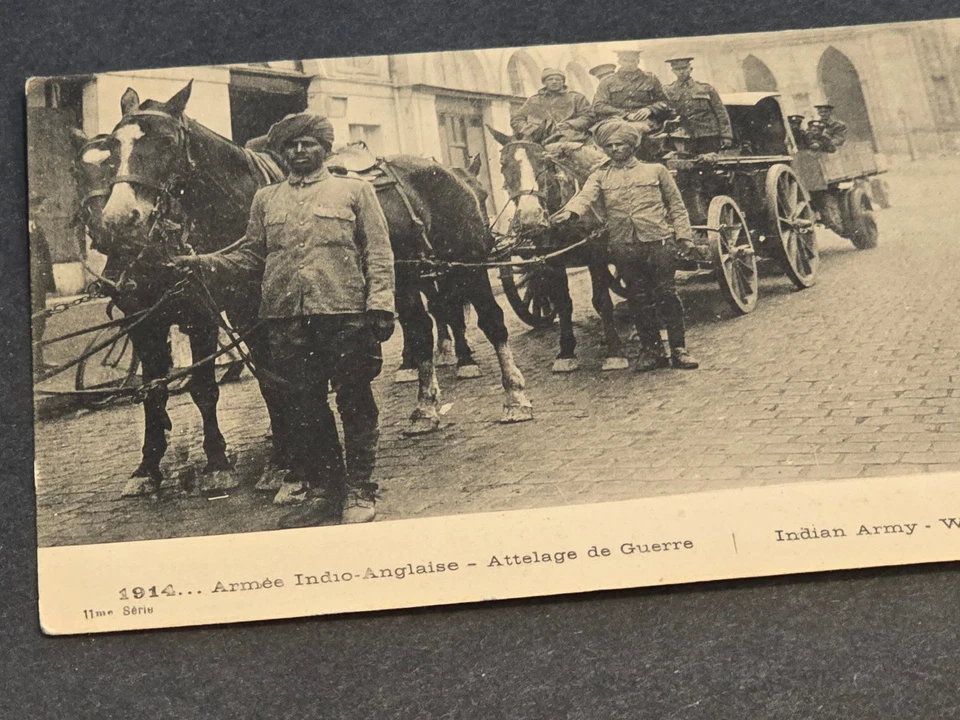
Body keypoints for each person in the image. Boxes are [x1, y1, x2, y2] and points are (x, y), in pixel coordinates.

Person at [173, 113, 396, 527]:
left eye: (308, 144)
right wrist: (202, 262)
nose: (299, 151)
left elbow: (378, 253)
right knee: (305, 407)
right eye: (292, 145)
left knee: (355, 403)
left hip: (343, 314)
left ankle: (362, 491)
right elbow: (251, 252)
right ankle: (326, 492)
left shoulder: (355, 191)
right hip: (286, 320)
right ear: (283, 152)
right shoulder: (266, 199)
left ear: (323, 149)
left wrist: (380, 304)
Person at [551, 120, 699, 371]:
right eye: (609, 145)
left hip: (658, 242)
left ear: (632, 145)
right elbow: (585, 196)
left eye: (620, 144)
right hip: (624, 245)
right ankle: (652, 351)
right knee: (637, 298)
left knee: (667, 295)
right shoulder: (599, 176)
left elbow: (676, 205)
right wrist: (570, 213)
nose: (615, 149)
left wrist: (684, 236)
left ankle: (679, 350)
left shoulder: (656, 171)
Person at [663, 57, 733, 154]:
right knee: (686, 166)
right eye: (678, 69)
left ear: (690, 69)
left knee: (709, 164)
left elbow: (721, 113)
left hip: (708, 135)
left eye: (684, 68)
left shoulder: (706, 89)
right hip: (683, 137)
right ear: (673, 71)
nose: (682, 72)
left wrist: (726, 136)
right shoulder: (668, 91)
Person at [510, 68, 593, 141]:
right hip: (537, 137)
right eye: (550, 79)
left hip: (568, 135)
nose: (554, 82)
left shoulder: (576, 98)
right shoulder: (534, 100)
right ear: (544, 83)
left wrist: (570, 124)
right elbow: (516, 119)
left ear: (563, 82)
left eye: (558, 79)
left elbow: (588, 117)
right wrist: (529, 128)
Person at [29, 194, 56, 377]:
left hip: (39, 281)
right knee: (33, 320)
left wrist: (48, 283)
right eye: (38, 206)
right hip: (32, 281)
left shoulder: (35, 227)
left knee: (39, 321)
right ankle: (33, 364)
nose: (42, 209)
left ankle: (38, 362)